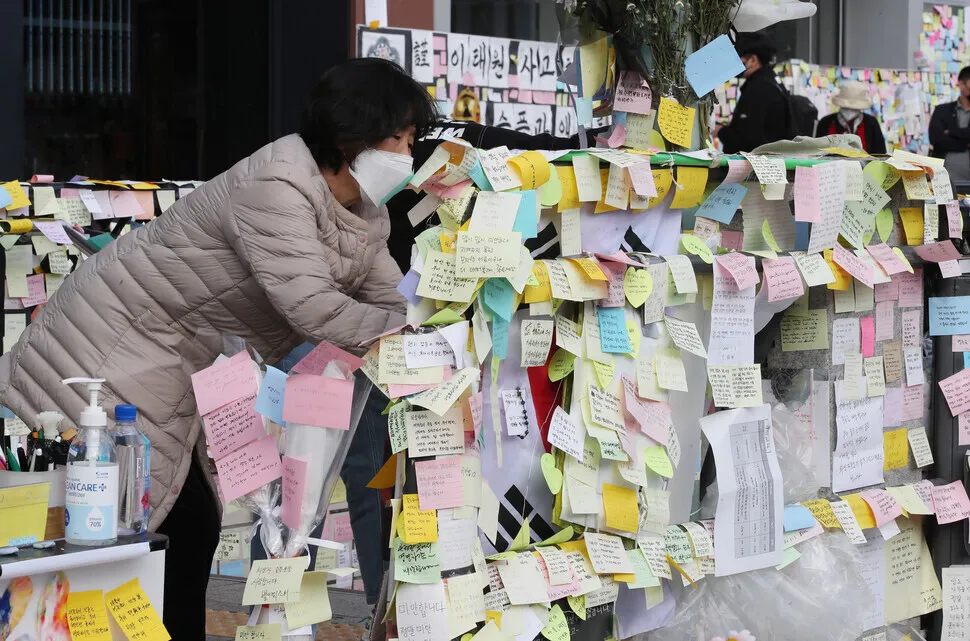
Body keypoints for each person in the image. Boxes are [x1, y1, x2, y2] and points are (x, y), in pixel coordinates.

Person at [0, 57, 436, 641]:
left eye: (411, 140)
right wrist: (414, 335)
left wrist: (433, 327)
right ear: (351, 133)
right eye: (399, 139)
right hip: (116, 348)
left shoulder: (365, 210)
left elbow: (389, 301)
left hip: (182, 360)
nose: (408, 155)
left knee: (180, 529)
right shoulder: (277, 184)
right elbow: (312, 306)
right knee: (147, 526)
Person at [716, 33, 791, 153]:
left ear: (753, 60)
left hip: (756, 162)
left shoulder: (760, 88)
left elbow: (747, 139)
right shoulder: (773, 82)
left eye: (739, 59)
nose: (734, 65)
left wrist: (721, 131)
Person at [815, 82, 887, 154]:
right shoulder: (825, 122)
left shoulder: (871, 123)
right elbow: (816, 152)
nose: (849, 111)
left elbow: (880, 154)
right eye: (846, 108)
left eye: (854, 109)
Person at [930, 65, 970, 182]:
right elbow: (937, 140)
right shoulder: (942, 111)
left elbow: (945, 140)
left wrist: (952, 132)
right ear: (961, 84)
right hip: (942, 183)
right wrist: (966, 144)